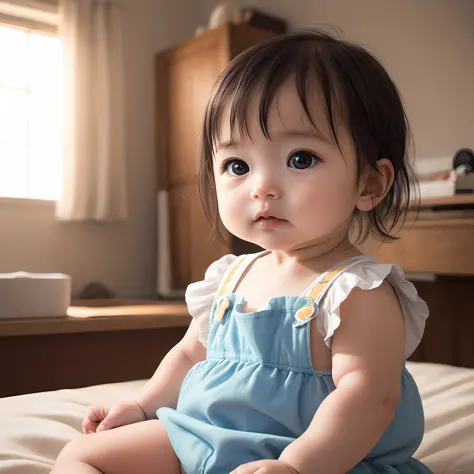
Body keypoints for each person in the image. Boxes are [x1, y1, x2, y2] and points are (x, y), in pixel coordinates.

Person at [51, 29, 432, 474]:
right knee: (81, 455)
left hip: (324, 457)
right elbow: (190, 355)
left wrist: (296, 466)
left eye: (300, 159)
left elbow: (369, 397)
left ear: (369, 183)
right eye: (237, 165)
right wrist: (141, 405)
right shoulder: (231, 277)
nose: (261, 187)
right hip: (206, 437)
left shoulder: (357, 291)